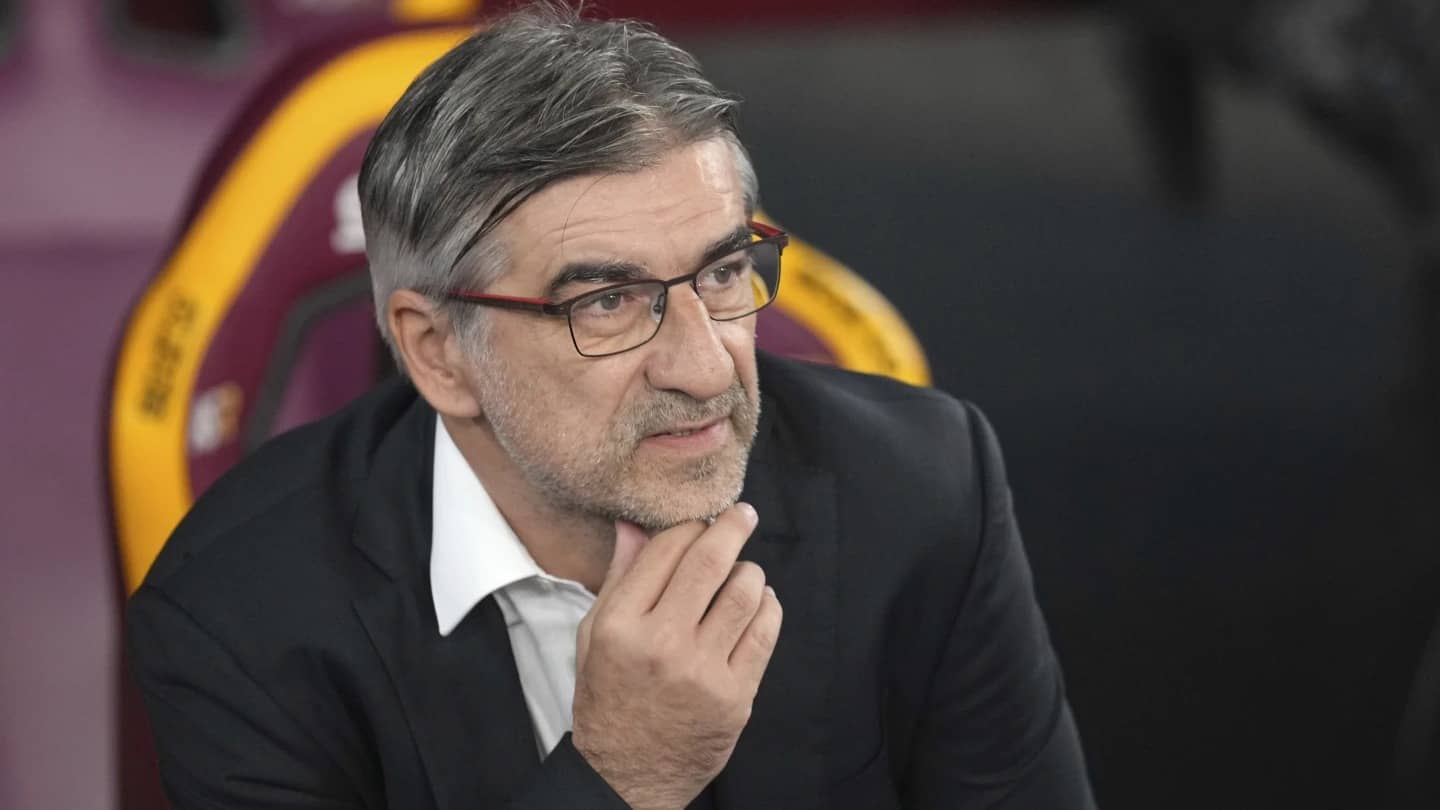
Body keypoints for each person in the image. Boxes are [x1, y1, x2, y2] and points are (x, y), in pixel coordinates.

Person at [126, 3, 1096, 808]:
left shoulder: (927, 488)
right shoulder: (237, 617)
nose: (706, 370)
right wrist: (623, 777)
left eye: (722, 271)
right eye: (607, 302)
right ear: (437, 352)